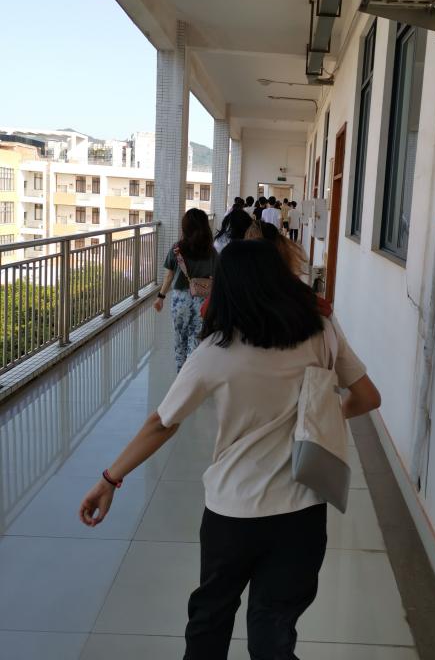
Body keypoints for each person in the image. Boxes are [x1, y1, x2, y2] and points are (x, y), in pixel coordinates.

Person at [79, 240, 380, 660]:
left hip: (232, 513)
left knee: (210, 620)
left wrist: (109, 479)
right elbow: (367, 397)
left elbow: (162, 424)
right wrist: (321, 419)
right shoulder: (322, 330)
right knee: (274, 635)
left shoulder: (215, 352)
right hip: (303, 513)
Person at [154, 208, 215, 372]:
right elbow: (217, 277)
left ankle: (181, 373)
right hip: (203, 300)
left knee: (180, 338)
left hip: (180, 300)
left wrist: (160, 297)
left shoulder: (177, 249)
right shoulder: (211, 251)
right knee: (197, 338)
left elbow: (168, 277)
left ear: (185, 227)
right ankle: (192, 373)